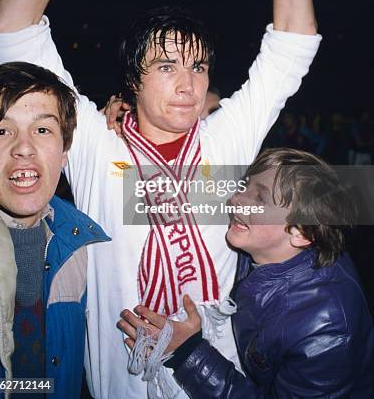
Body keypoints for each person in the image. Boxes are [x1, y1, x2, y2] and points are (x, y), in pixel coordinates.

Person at [0, 0, 321, 398]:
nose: (187, 83)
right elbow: (11, 27)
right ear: (132, 83)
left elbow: (293, 44)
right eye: (165, 66)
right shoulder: (98, 145)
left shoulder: (222, 142)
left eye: (197, 66)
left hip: (220, 379)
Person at [119, 148, 374, 397]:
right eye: (244, 186)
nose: (236, 199)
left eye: (260, 199)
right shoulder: (263, 246)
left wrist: (187, 352)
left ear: (302, 233)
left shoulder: (327, 328)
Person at [0, 62, 109, 399]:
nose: (24, 148)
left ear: (65, 152)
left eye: (42, 130)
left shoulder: (84, 245)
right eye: (0, 130)